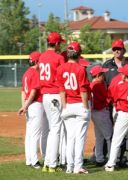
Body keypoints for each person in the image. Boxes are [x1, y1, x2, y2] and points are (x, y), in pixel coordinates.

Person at [57, 42, 90, 174]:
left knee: (70, 138)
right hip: (79, 104)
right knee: (80, 137)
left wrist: (64, 106)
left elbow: (61, 90)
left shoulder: (60, 68)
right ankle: (78, 166)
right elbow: (83, 90)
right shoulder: (80, 69)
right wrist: (86, 107)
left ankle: (69, 167)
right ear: (79, 54)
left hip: (68, 105)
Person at [105, 64, 128, 172]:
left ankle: (111, 164)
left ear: (124, 75)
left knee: (116, 140)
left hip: (124, 114)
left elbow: (112, 97)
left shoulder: (121, 85)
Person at [39, 32, 66, 172]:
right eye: (59, 43)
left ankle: (47, 163)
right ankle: (52, 164)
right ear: (55, 43)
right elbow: (63, 76)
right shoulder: (58, 57)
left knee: (52, 129)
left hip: (45, 96)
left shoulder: (42, 56)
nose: (60, 45)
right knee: (56, 129)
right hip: (55, 94)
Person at [18, 51, 45, 169]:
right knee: (35, 135)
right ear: (36, 62)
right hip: (35, 105)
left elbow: (23, 91)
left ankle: (29, 160)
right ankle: (34, 161)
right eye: (40, 61)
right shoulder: (35, 73)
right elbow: (33, 92)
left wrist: (24, 105)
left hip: (29, 105)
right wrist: (26, 105)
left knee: (29, 134)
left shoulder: (26, 73)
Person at [89, 65, 113, 166]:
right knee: (109, 136)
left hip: (94, 113)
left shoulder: (91, 84)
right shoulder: (98, 85)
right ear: (98, 75)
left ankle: (99, 158)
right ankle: (112, 159)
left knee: (99, 136)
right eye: (102, 74)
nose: (104, 76)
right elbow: (108, 98)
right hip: (101, 112)